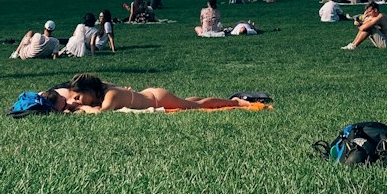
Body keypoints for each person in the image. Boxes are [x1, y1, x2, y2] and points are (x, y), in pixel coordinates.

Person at [63, 73, 267, 112]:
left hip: (157, 99)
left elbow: (102, 113)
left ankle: (237, 102)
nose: (77, 101)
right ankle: (233, 100)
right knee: (188, 102)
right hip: (151, 95)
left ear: (90, 90)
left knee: (198, 105)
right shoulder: (104, 88)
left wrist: (84, 109)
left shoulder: (109, 96)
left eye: (79, 97)